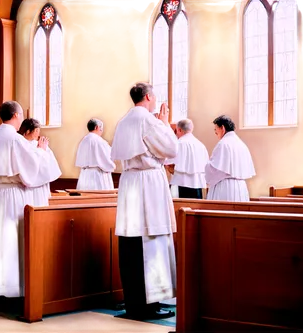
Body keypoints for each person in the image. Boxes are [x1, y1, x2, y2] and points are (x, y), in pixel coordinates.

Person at [110, 82, 178, 320]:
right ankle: (149, 304)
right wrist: (164, 123)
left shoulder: (123, 121)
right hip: (148, 184)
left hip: (129, 183)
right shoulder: (148, 121)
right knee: (152, 238)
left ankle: (134, 302)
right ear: (148, 97)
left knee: (131, 240)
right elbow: (171, 148)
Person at [0, 101, 57, 300]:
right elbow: (33, 167)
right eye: (20, 115)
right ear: (15, 115)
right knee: (13, 241)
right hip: (13, 194)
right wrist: (42, 150)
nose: (21, 118)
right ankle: (15, 289)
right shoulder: (15, 139)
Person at [205, 115, 256, 201]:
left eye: (216, 130)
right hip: (241, 187)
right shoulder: (241, 144)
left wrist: (206, 166)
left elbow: (214, 169)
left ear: (222, 128)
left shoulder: (223, 144)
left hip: (225, 188)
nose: (215, 133)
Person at [18, 118, 62, 206]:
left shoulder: (39, 144)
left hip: (41, 186)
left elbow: (49, 164)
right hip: (25, 187)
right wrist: (42, 151)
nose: (38, 134)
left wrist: (45, 150)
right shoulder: (20, 144)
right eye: (36, 131)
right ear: (27, 131)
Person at [164, 119, 209, 199]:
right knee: (194, 210)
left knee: (179, 209)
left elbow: (168, 163)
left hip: (181, 183)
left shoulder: (178, 144)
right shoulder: (201, 145)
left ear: (179, 129)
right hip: (197, 184)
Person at [75, 118, 116, 190]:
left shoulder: (83, 141)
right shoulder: (99, 141)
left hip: (84, 175)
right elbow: (106, 158)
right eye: (101, 128)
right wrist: (112, 166)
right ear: (97, 127)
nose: (102, 131)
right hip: (98, 176)